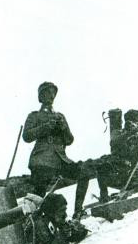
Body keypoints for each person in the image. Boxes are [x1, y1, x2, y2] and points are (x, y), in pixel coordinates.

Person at [22, 81, 99, 218]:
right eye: (47, 92)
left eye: (53, 93)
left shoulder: (60, 116)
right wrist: (45, 127)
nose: (51, 96)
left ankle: (78, 211)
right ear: (41, 96)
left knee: (84, 173)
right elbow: (27, 136)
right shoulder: (34, 116)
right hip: (42, 160)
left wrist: (63, 128)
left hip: (60, 159)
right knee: (38, 196)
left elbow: (69, 140)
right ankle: (32, 223)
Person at [96, 109, 138, 202]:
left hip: (134, 177)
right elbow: (114, 143)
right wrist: (129, 133)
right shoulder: (120, 133)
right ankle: (104, 197)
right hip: (121, 176)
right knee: (101, 165)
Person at [23, 193, 88, 244]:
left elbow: (63, 233)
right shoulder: (40, 225)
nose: (65, 215)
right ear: (52, 212)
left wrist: (75, 232)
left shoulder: (52, 218)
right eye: (61, 211)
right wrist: (63, 236)